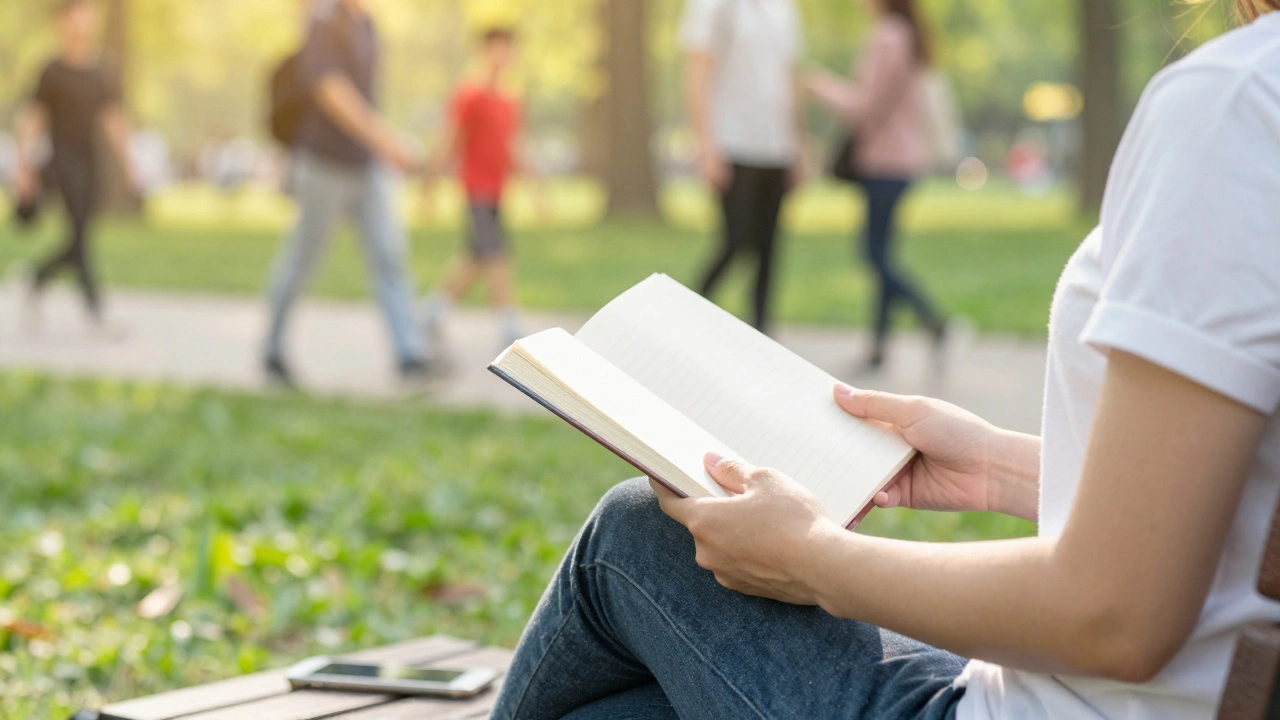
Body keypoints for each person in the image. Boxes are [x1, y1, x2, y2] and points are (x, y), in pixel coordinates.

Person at [490, 4, 1280, 719]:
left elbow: (1115, 616)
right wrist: (1005, 469)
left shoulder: (1238, 103)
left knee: (639, 534)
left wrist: (814, 559)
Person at [263, 0, 429, 385]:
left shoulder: (367, 23)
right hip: (323, 163)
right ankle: (272, 348)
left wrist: (379, 147)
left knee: (389, 256)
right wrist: (387, 142)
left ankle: (409, 355)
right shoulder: (324, 21)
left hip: (365, 165)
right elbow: (330, 90)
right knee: (303, 257)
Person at [807, 0, 948, 371]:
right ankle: (879, 347)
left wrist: (818, 84)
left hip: (885, 162)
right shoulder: (910, 36)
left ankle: (933, 319)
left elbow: (863, 106)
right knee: (884, 252)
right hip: (903, 160)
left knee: (873, 254)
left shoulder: (888, 37)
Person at [11, 0, 139, 332]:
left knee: (81, 233)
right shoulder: (51, 70)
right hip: (61, 160)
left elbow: (114, 119)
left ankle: (38, 277)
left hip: (91, 159)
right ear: (63, 22)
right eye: (76, 18)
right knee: (80, 233)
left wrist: (129, 165)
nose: (82, 25)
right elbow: (32, 119)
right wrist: (24, 168)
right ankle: (96, 311)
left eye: (87, 18)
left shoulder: (102, 70)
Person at [681, 0, 806, 334]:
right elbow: (698, 74)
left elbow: (790, 78)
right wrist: (706, 147)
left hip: (776, 147)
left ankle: (763, 332)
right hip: (732, 143)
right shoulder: (713, 7)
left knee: (769, 249)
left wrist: (798, 145)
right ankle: (686, 314)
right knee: (736, 242)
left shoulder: (783, 9)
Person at [420, 27, 533, 350]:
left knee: (474, 258)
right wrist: (430, 186)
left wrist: (537, 187)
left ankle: (430, 313)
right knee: (497, 253)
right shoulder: (469, 95)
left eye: (507, 49)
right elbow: (449, 139)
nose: (502, 56)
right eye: (496, 49)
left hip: (498, 190)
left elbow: (515, 146)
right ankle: (509, 326)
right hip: (475, 188)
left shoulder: (511, 100)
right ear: (484, 53)